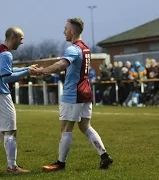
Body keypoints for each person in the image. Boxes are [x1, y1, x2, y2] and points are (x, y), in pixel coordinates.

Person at [32, 18, 113, 172]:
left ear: (73, 31)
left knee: (66, 128)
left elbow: (61, 65)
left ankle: (60, 163)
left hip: (73, 93)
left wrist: (42, 71)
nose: (64, 31)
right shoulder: (86, 48)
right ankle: (104, 155)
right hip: (85, 92)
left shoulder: (73, 49)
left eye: (66, 28)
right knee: (85, 126)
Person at [0, 26, 37, 173]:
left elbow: (7, 71)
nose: (22, 42)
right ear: (13, 37)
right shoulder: (6, 55)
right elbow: (6, 77)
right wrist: (27, 72)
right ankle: (12, 167)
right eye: (21, 38)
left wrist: (27, 68)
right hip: (0, 95)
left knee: (1, 129)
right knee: (11, 131)